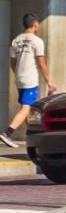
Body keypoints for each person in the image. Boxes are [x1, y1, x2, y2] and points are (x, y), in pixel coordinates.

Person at [2, 14, 47, 149]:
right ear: (35, 25)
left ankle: (32, 137)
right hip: (30, 79)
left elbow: (13, 62)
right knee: (27, 107)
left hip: (20, 78)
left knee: (30, 108)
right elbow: (41, 62)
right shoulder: (37, 41)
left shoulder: (16, 40)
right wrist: (49, 80)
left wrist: (18, 74)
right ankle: (7, 133)